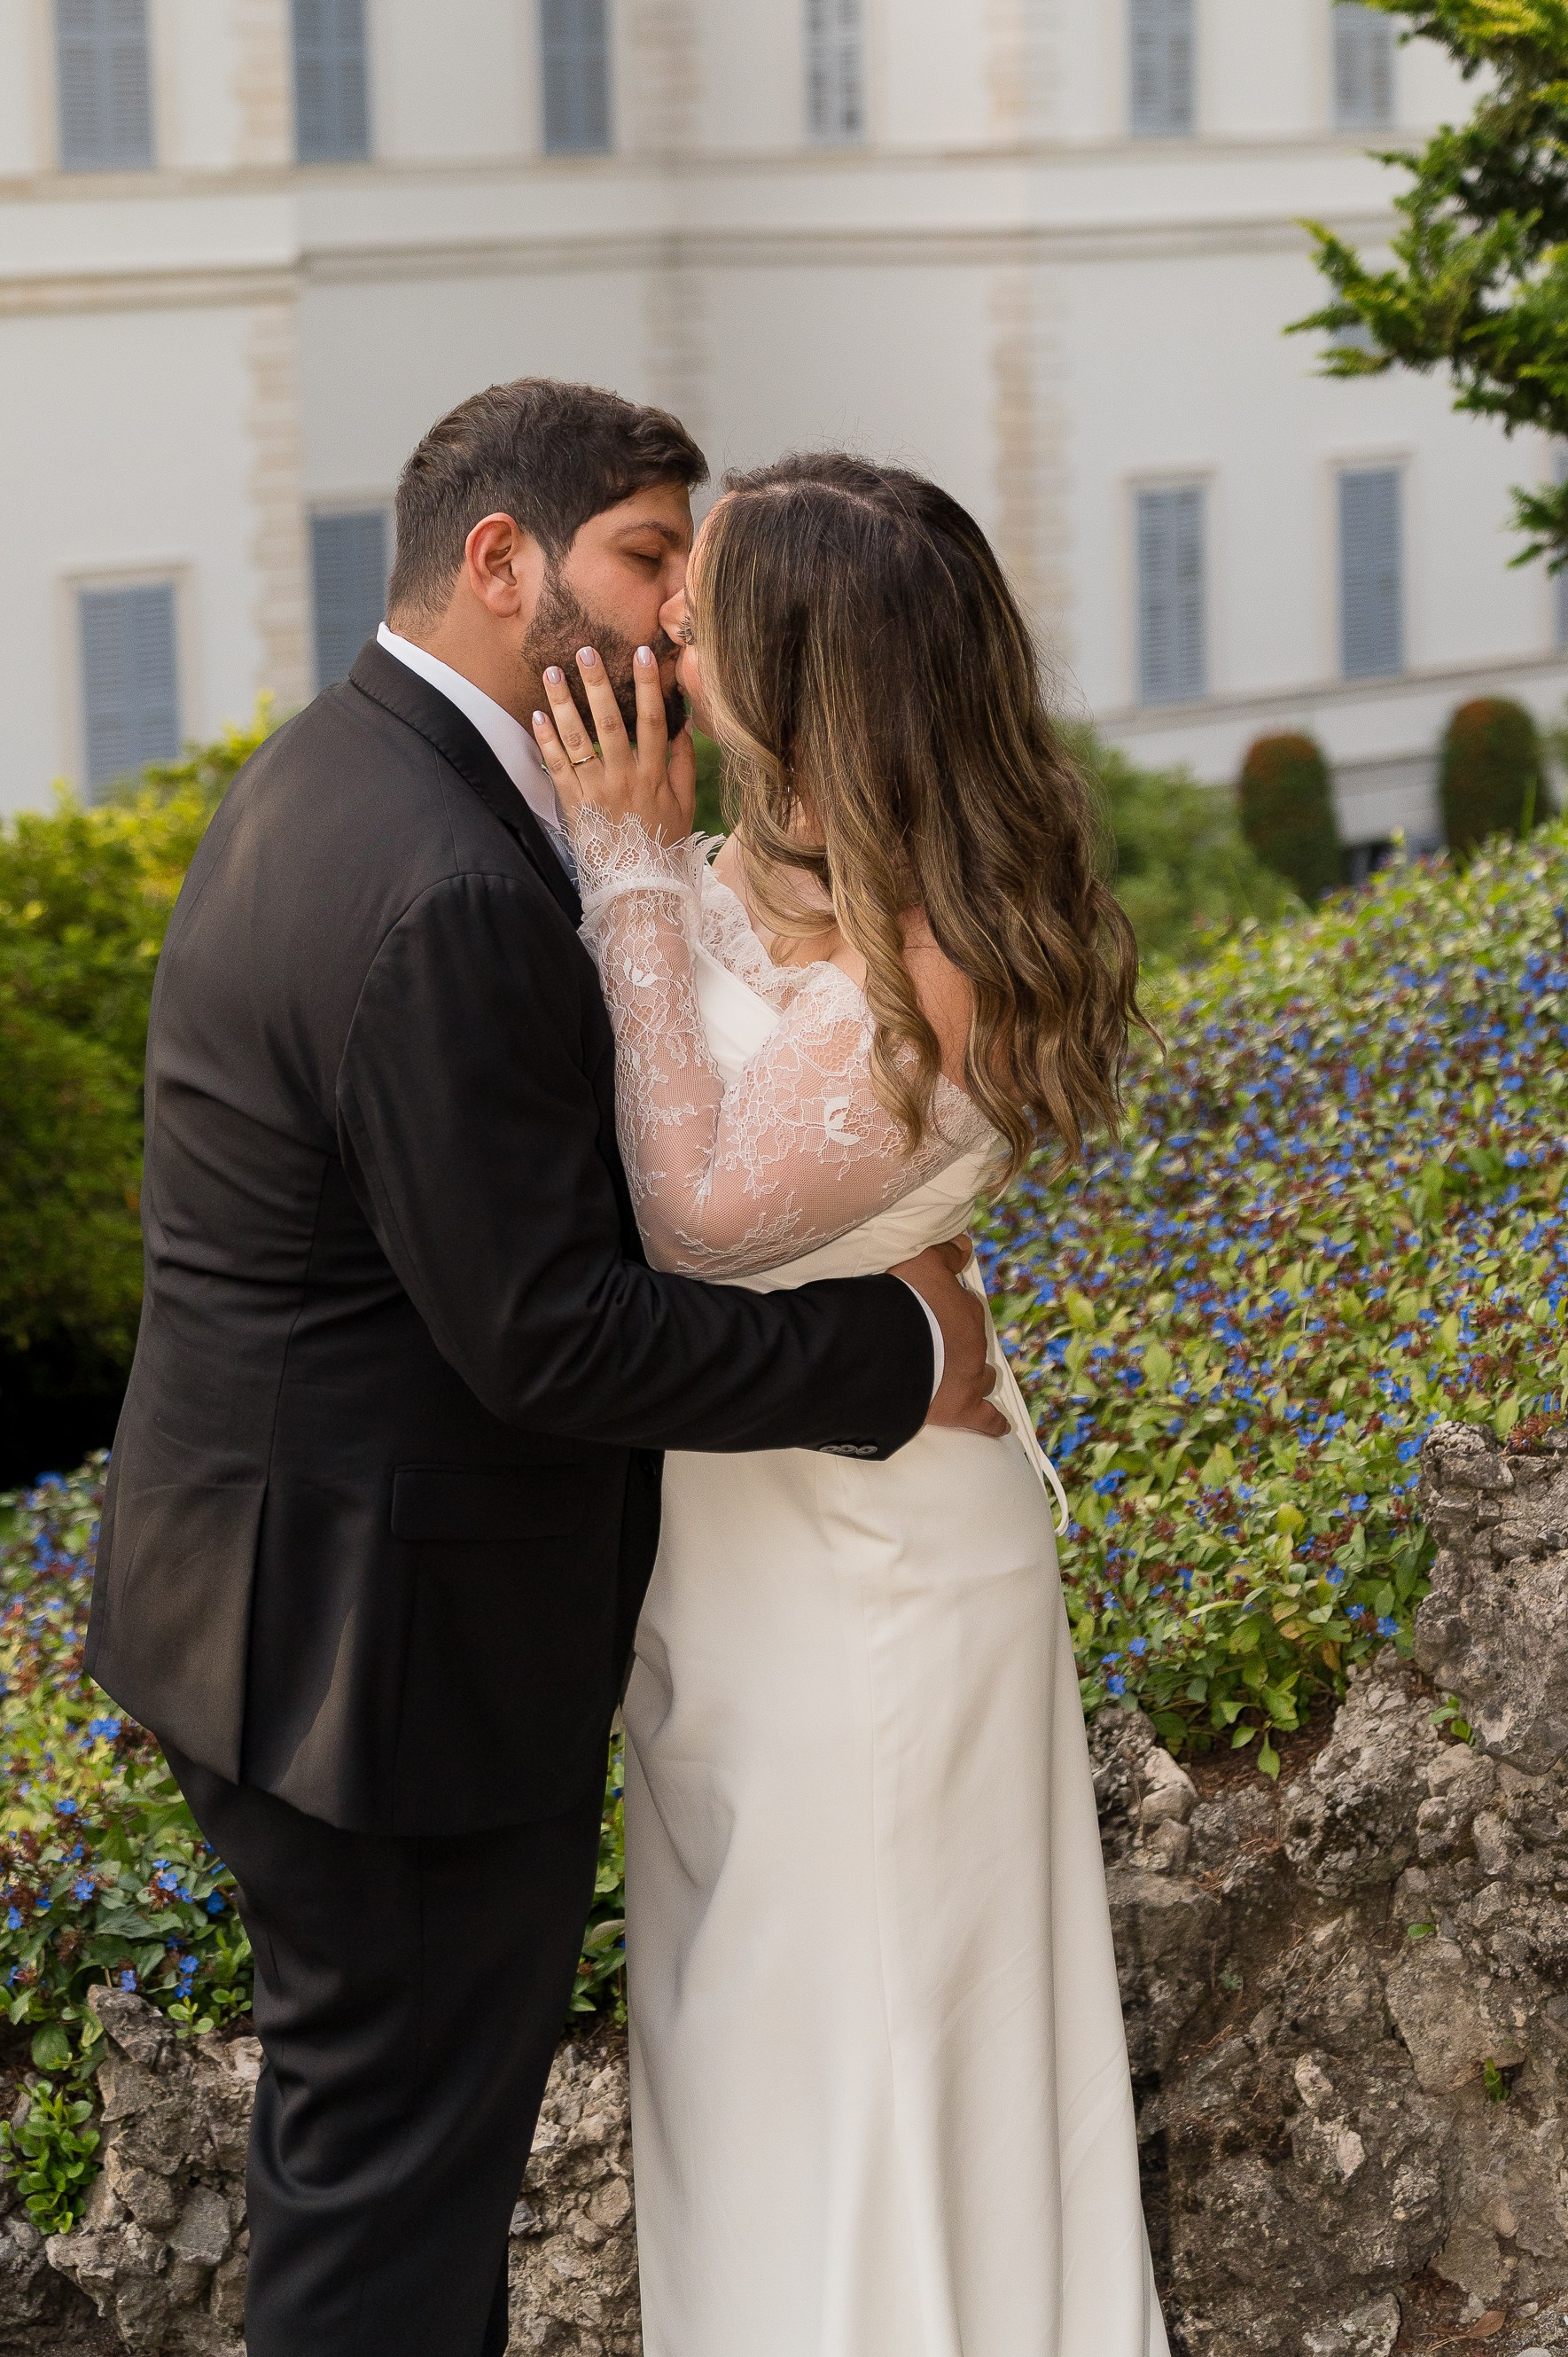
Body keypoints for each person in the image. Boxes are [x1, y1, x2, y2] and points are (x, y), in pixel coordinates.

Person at [82, 380, 1000, 2357]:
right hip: (370, 1662)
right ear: (503, 566)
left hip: (284, 1600)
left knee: (388, 2186)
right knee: (391, 2220)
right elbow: (547, 1331)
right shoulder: (447, 880)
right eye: (649, 561)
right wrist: (891, 1340)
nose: (679, 621)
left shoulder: (337, 773)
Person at [530, 449, 1169, 2357]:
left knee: (881, 2074)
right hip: (730, 1582)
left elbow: (700, 1211)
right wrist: (670, 870)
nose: (661, 626)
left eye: (701, 604)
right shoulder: (774, 867)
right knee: (752, 2079)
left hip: (875, 1593)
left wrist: (624, 874)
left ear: (804, 673)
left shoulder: (938, 953)